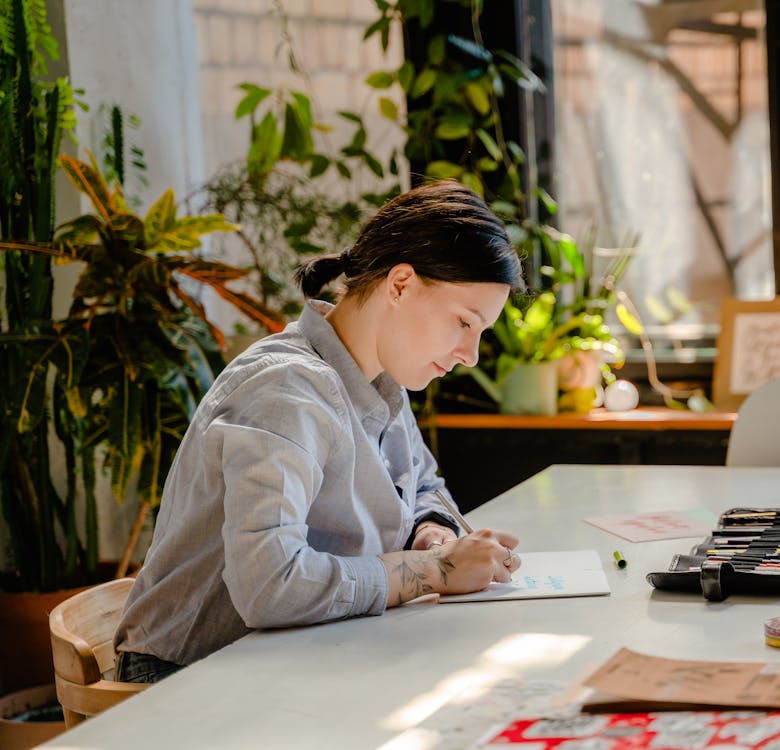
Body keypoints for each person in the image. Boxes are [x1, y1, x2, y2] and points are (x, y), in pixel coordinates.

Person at [114, 181, 526, 683]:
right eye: (463, 322)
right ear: (400, 284)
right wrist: (434, 572)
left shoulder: (383, 379)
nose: (471, 355)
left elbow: (422, 485)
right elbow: (270, 583)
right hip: (188, 679)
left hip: (296, 658)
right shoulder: (285, 391)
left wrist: (430, 534)